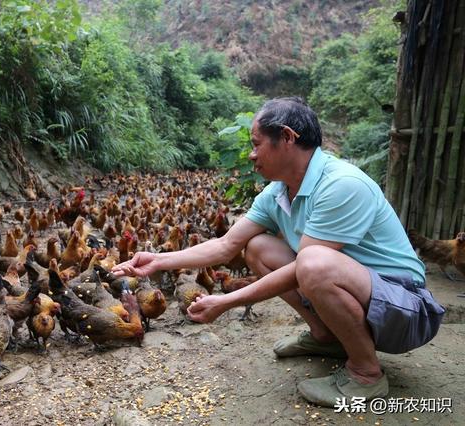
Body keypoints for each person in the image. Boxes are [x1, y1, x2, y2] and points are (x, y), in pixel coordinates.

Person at [112, 97, 445, 407]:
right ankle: (327, 335)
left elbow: (307, 267)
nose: (251, 155)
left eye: (256, 144)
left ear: (286, 137)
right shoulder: (277, 193)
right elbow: (227, 245)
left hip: (406, 310)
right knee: (257, 247)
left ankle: (365, 373)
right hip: (364, 297)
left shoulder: (342, 184)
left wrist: (227, 302)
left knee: (313, 263)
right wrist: (158, 260)